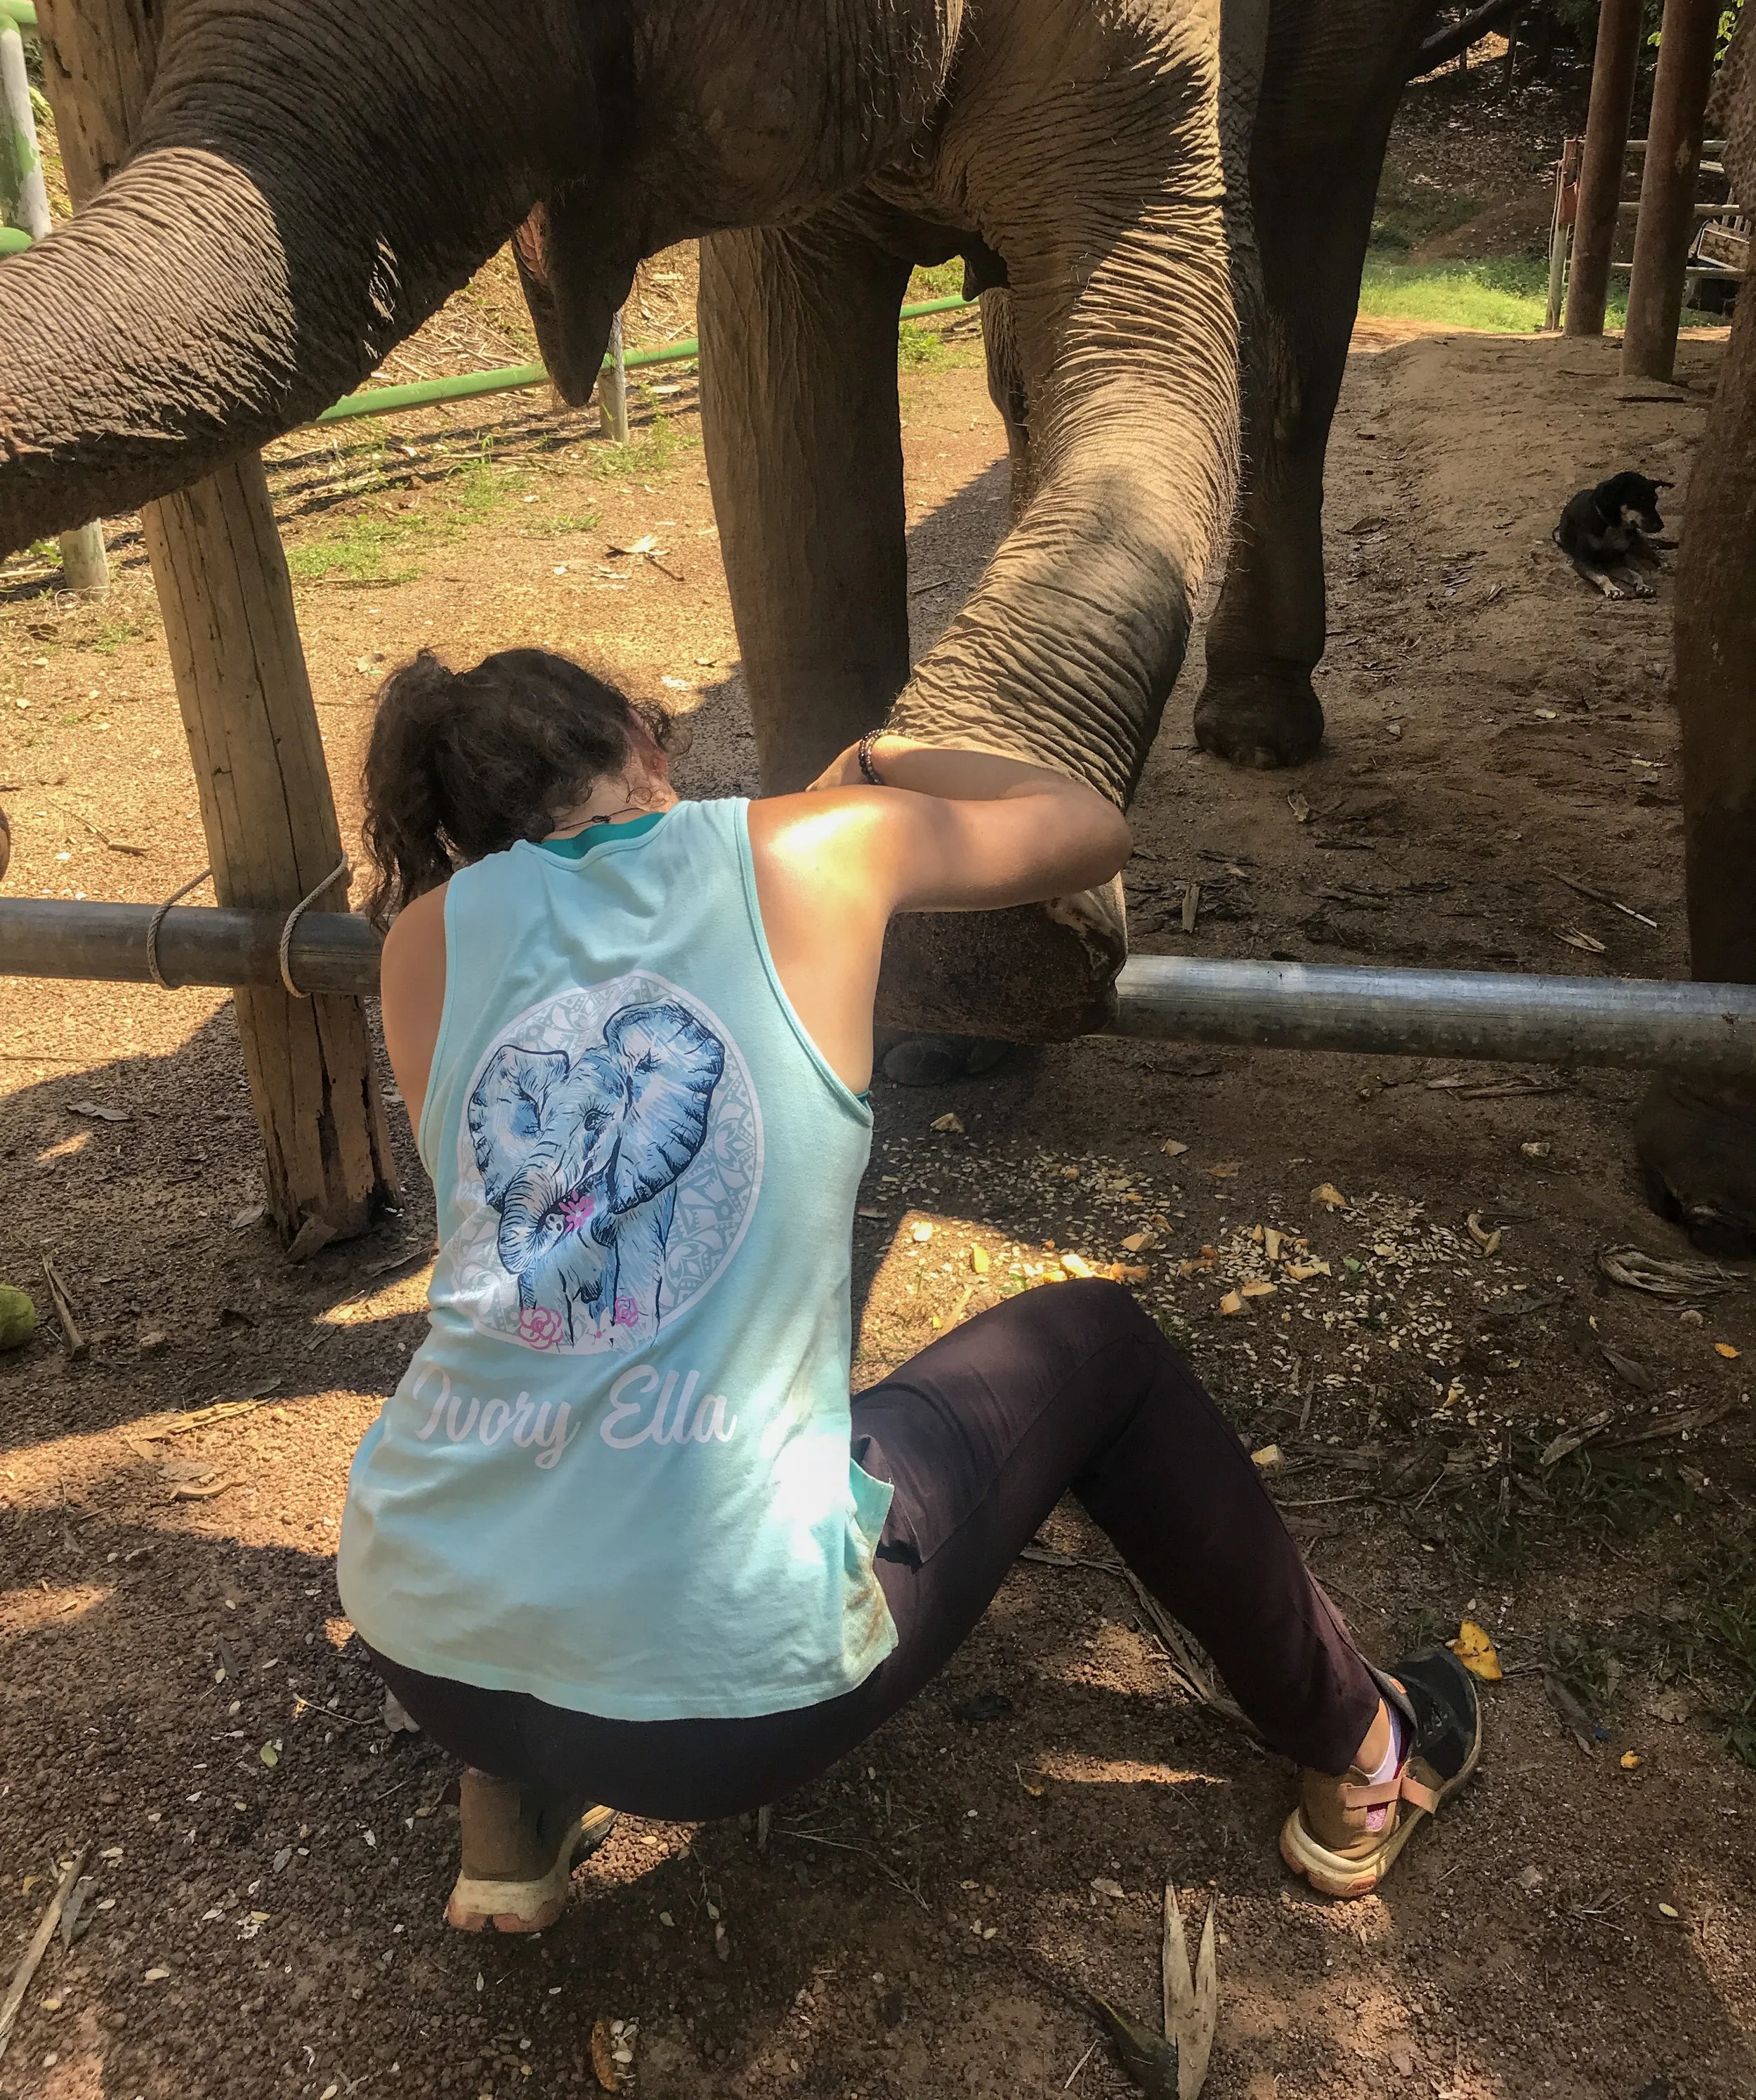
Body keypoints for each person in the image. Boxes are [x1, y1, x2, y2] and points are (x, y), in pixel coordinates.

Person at [336, 645, 1479, 1932]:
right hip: (728, 1715)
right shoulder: (818, 843)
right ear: (645, 748)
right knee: (1098, 1342)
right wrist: (881, 765)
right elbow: (1088, 828)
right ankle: (1362, 1739)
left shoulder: (422, 942)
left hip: (423, 1632)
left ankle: (514, 1806)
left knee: (565, 1372)